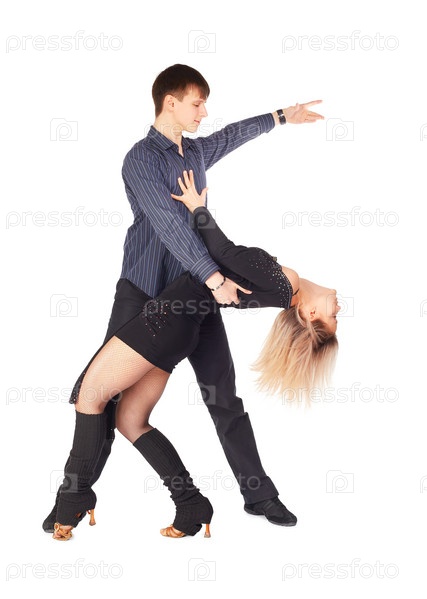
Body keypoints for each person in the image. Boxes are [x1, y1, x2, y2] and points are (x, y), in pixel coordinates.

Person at [43, 63, 326, 536]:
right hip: (143, 291)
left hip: (196, 298)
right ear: (169, 102)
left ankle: (260, 495)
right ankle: (73, 498)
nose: (204, 112)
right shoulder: (140, 159)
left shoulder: (194, 152)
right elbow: (169, 224)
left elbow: (232, 135)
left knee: (222, 397)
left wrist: (280, 116)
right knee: (107, 398)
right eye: (197, 103)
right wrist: (214, 276)